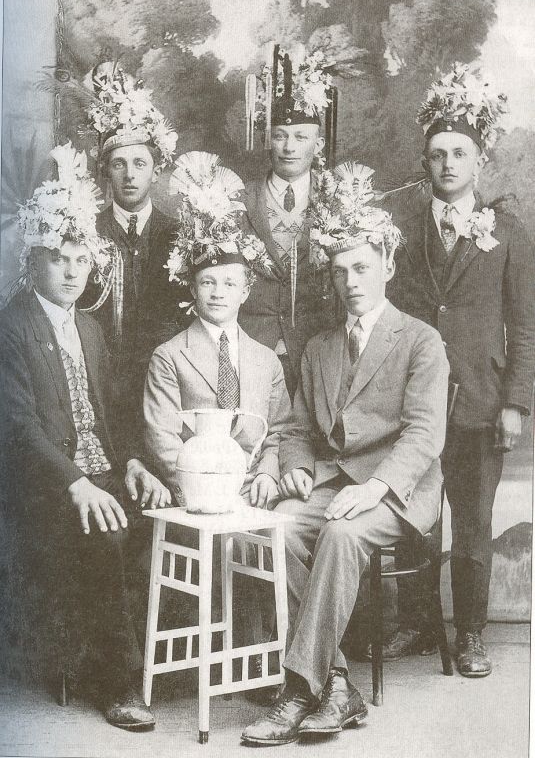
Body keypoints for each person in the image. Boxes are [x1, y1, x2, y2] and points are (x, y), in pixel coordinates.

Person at [241, 164, 449, 746]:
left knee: (340, 534)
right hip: (332, 481)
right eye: (340, 271)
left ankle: (297, 691)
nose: (351, 281)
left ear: (388, 266)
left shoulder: (421, 340)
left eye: (362, 268)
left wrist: (375, 488)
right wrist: (298, 469)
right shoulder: (319, 347)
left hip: (399, 490)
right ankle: (335, 683)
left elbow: (424, 435)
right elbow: (297, 427)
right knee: (273, 528)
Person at [0, 143, 170, 730]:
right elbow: (17, 427)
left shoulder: (90, 328)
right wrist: (77, 484)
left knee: (170, 517)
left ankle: (165, 669)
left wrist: (134, 465)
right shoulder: (12, 326)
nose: (73, 272)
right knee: (107, 533)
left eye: (81, 259)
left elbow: (110, 416)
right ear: (33, 262)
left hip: (102, 471)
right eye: (58, 260)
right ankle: (117, 682)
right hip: (43, 484)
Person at [385, 64, 535, 677]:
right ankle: (421, 624)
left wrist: (514, 403)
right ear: (425, 163)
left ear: (479, 161)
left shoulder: (508, 232)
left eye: (459, 154)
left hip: (480, 400)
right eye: (438, 155)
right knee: (413, 516)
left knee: (473, 524)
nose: (448, 164)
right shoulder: (401, 229)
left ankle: (471, 633)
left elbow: (525, 325)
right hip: (414, 401)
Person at [143, 151, 291, 506]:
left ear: (245, 292)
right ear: (193, 289)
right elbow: (162, 438)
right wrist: (209, 490)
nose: (218, 293)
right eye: (208, 282)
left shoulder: (266, 360)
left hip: (256, 490)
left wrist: (268, 473)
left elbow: (280, 431)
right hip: (198, 490)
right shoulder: (170, 357)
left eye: (229, 283)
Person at [78, 62, 187, 458]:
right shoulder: (85, 231)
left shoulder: (180, 235)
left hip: (165, 387)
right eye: (118, 164)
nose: (129, 175)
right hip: (98, 383)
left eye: (140, 163)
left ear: (156, 172)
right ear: (105, 171)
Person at [240, 45, 346, 398]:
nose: (289, 147)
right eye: (280, 135)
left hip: (320, 353)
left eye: (301, 137)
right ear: (266, 138)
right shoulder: (236, 201)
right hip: (250, 353)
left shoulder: (339, 201)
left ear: (319, 143)